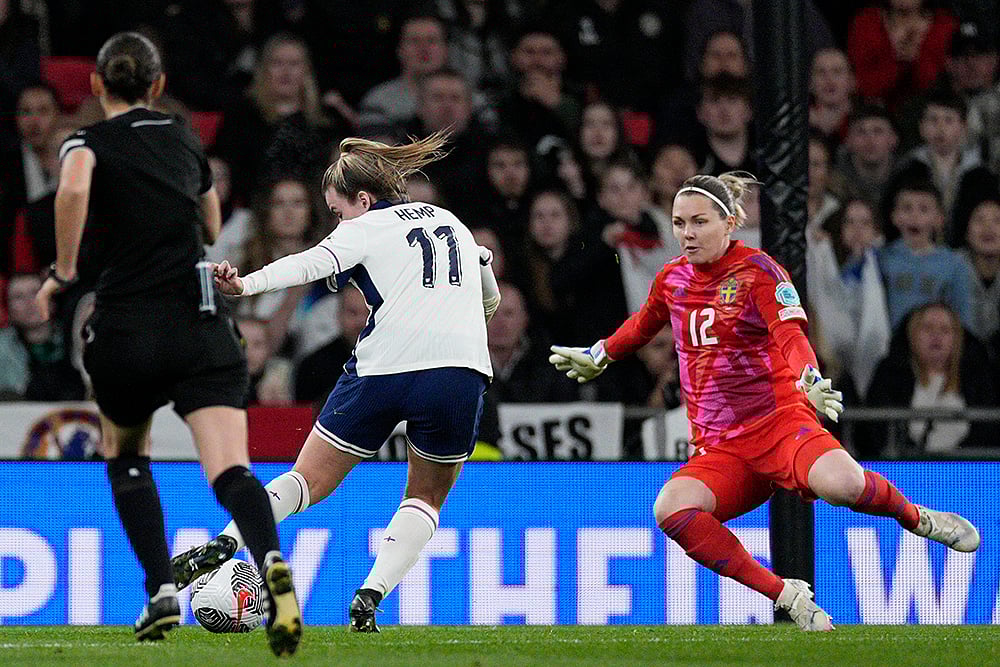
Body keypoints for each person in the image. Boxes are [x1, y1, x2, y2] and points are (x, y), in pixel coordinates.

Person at [548, 171, 981, 631]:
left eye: (699, 222)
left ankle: (920, 519)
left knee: (844, 486)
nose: (687, 234)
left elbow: (789, 333)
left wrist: (809, 375)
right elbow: (643, 324)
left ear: (729, 221)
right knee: (670, 508)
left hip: (779, 424)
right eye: (678, 223)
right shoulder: (672, 279)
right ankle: (787, 594)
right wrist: (600, 353)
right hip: (721, 447)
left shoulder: (760, 272)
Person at [31, 33, 302, 654]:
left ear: (97, 86)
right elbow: (210, 224)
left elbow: (72, 188)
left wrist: (65, 272)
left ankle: (159, 589)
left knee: (126, 452)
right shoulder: (183, 136)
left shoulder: (85, 142)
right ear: (156, 86)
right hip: (199, 327)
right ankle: (271, 567)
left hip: (126, 326)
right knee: (231, 468)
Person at [170, 131, 501, 633]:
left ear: (363, 200)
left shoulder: (366, 225)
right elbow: (489, 296)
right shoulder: (450, 221)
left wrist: (245, 284)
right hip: (460, 368)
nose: (337, 222)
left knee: (308, 479)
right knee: (426, 497)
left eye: (338, 211)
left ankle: (228, 541)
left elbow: (309, 263)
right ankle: (370, 596)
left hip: (385, 364)